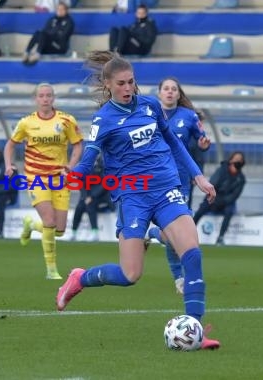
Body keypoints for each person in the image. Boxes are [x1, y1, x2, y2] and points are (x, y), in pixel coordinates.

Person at [55, 51, 220, 350]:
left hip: (166, 188)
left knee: (192, 255)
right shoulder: (103, 119)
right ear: (108, 84)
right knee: (130, 274)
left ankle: (195, 331)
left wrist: (198, 176)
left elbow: (173, 142)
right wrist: (72, 175)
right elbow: (88, 160)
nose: (128, 88)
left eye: (131, 81)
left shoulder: (150, 105)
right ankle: (80, 278)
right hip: (132, 197)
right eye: (121, 83)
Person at [4, 82, 83, 280]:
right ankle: (51, 269)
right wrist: (8, 164)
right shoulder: (26, 123)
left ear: (53, 98)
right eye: (41, 96)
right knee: (49, 221)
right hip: (36, 178)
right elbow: (10, 145)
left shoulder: (66, 120)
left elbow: (78, 145)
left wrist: (71, 166)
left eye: (49, 95)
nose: (45, 99)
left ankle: (30, 225)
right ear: (35, 99)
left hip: (60, 179)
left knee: (60, 230)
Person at [145, 77, 211, 294]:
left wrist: (203, 145)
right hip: (155, 179)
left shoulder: (189, 116)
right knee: (172, 235)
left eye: (174, 89)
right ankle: (179, 277)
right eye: (166, 89)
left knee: (176, 234)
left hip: (181, 181)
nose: (170, 92)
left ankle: (155, 236)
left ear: (179, 93)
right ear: (159, 92)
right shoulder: (148, 115)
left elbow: (201, 141)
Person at [193, 151, 246, 246]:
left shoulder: (241, 178)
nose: (237, 161)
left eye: (240, 160)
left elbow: (235, 195)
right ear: (231, 160)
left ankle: (220, 238)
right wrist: (216, 199)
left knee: (229, 211)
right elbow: (212, 183)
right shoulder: (221, 170)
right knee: (201, 209)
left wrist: (223, 201)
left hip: (226, 202)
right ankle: (189, 233)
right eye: (236, 158)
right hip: (214, 198)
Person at [70, 154, 112, 242]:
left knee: (90, 206)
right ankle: (73, 233)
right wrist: (85, 197)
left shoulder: (103, 167)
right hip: (87, 196)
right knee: (79, 207)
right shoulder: (85, 168)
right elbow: (81, 183)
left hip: (101, 196)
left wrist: (92, 196)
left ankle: (95, 233)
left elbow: (104, 185)